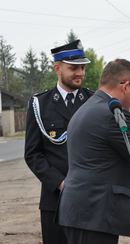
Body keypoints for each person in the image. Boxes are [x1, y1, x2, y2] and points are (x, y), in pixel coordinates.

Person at [57, 58, 130, 244]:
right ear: (125, 86)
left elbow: (97, 163)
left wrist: (127, 191)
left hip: (79, 211)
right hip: (94, 215)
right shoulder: (112, 114)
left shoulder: (86, 109)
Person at [24, 39, 93, 244]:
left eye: (82, 67)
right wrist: (60, 183)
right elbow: (33, 154)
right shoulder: (40, 104)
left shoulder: (94, 101)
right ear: (57, 68)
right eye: (73, 68)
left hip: (92, 199)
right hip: (55, 201)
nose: (80, 73)